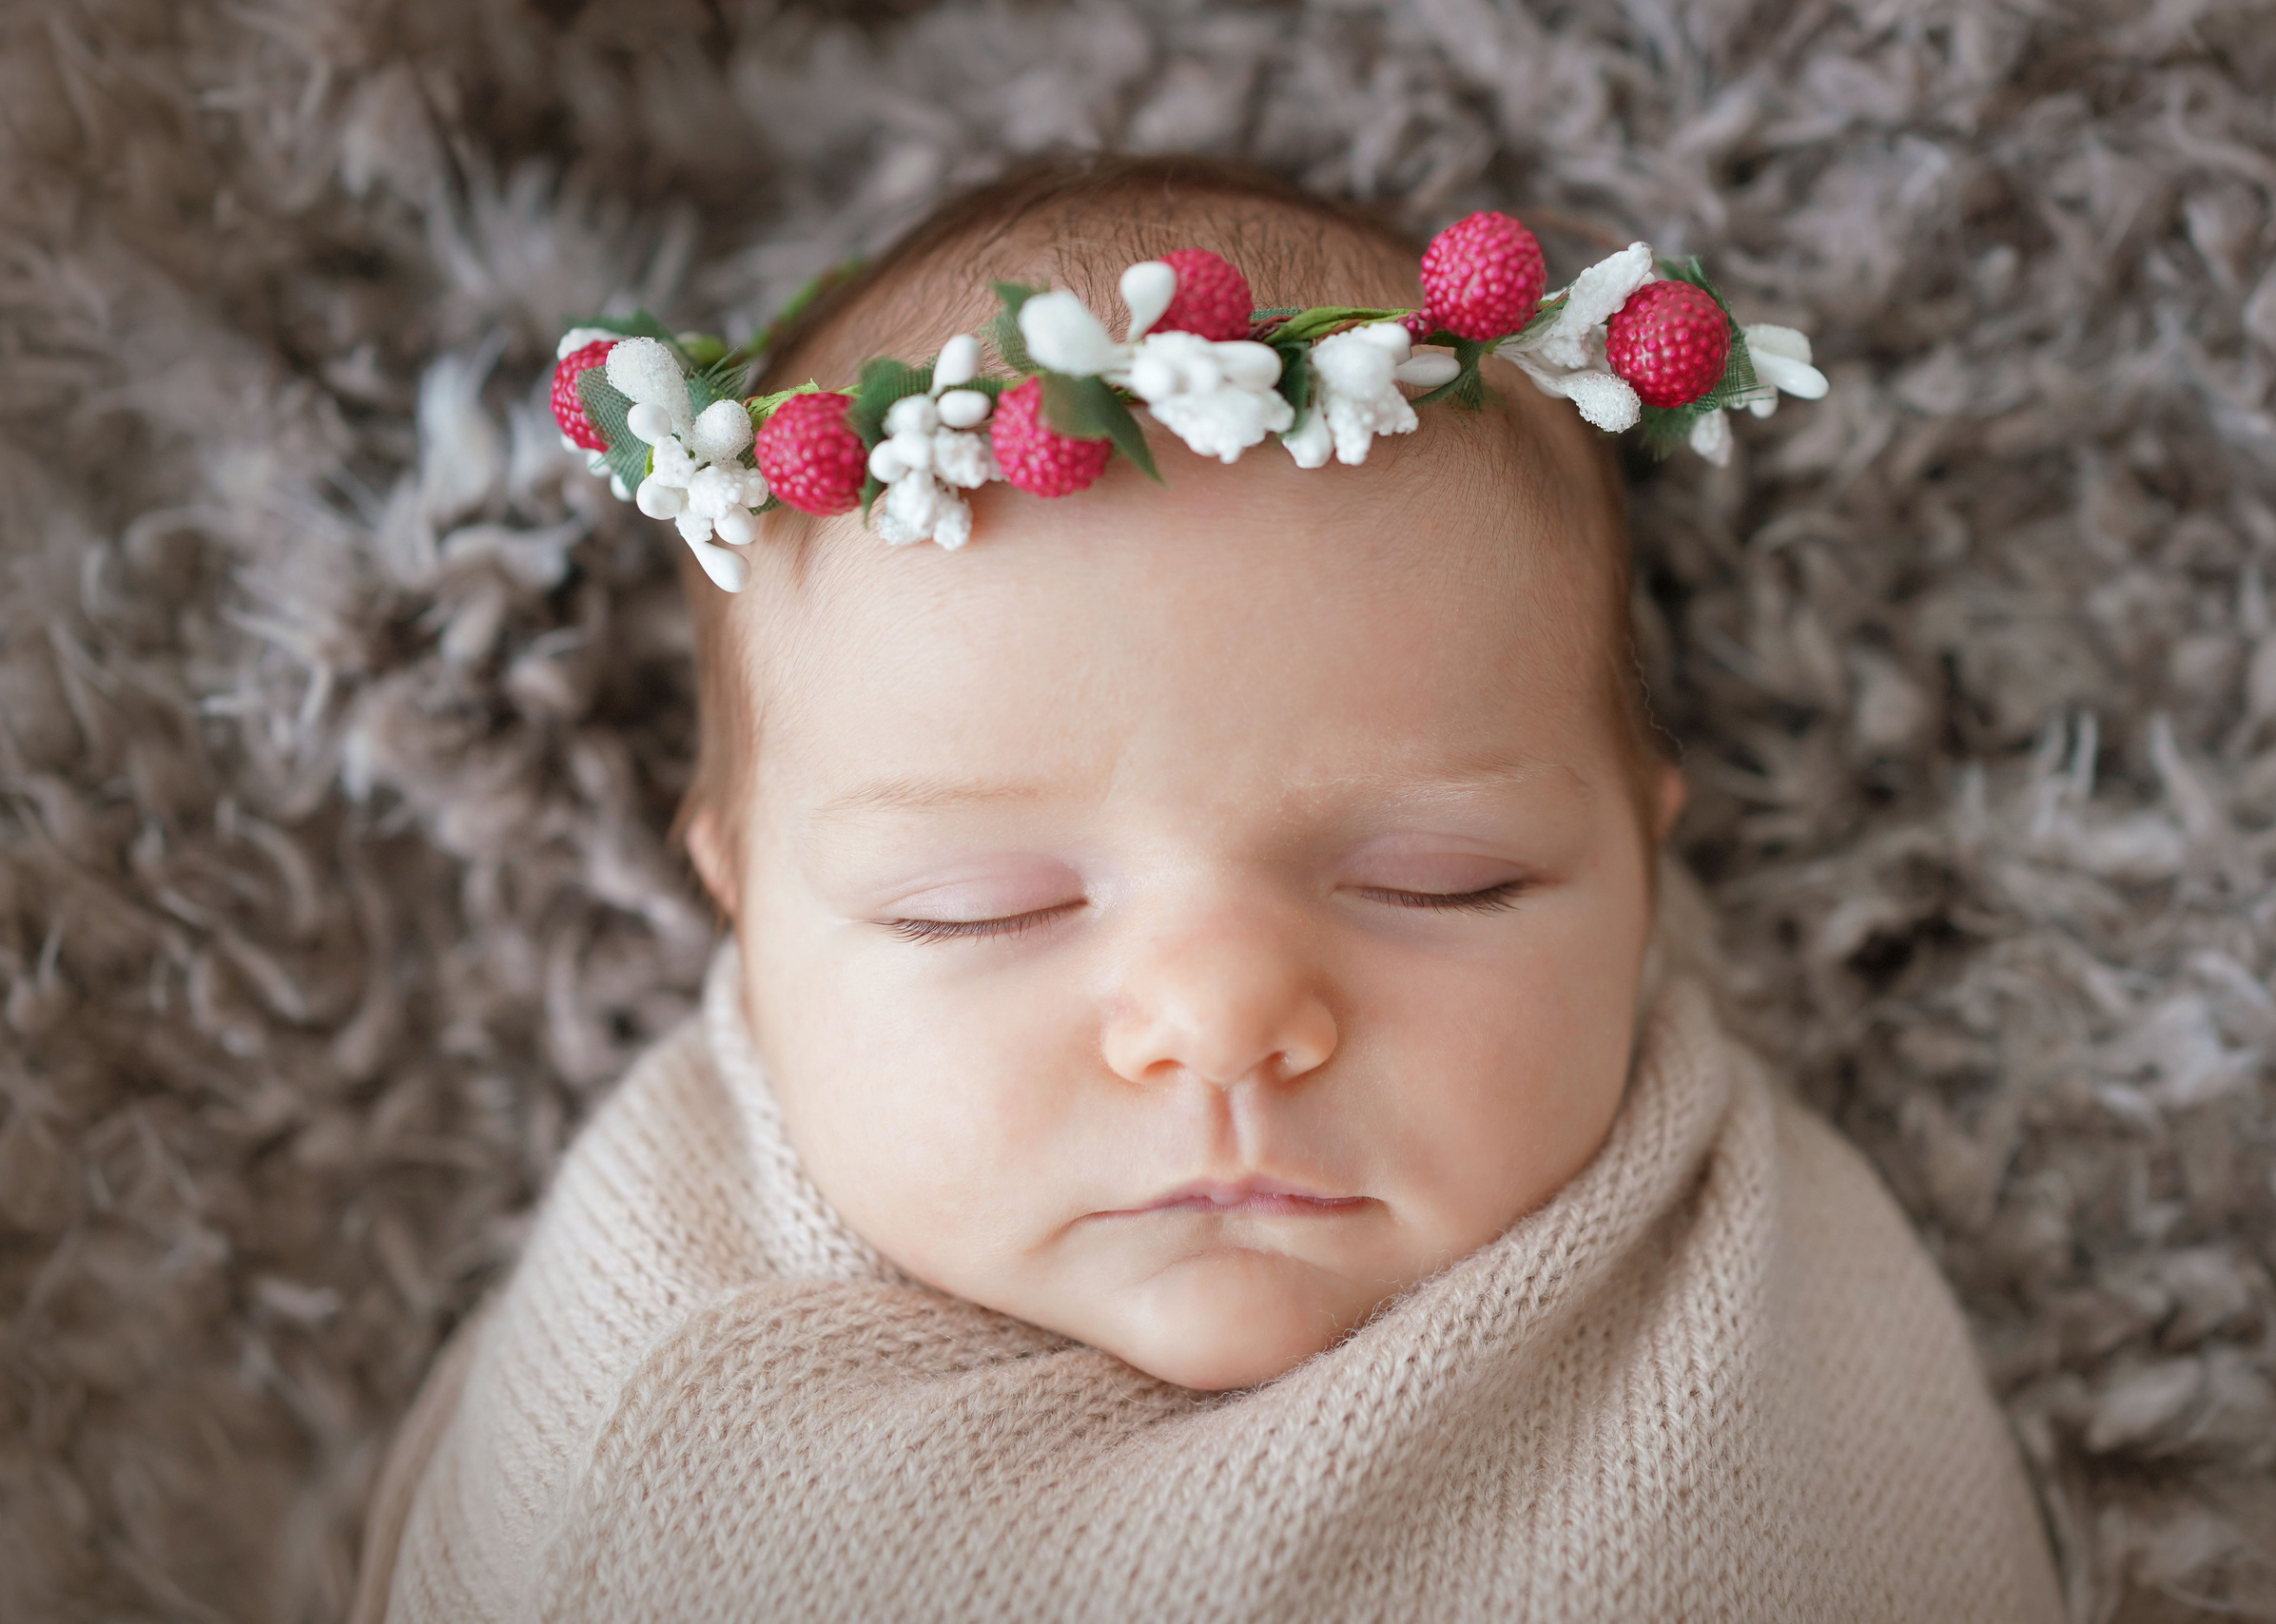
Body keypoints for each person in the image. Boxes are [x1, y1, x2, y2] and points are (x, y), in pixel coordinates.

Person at [355, 155, 2065, 1622]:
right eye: (981, 908)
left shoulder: (1757, 1378)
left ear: (1641, 860)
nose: (1224, 1018)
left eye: (1440, 880)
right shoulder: (640, 1351)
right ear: (745, 903)